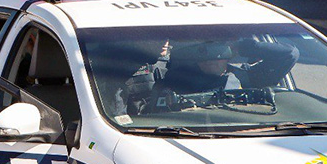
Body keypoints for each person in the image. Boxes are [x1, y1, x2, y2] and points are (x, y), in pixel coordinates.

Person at [116, 37, 299, 115]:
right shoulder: (173, 79)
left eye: (217, 50)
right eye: (202, 50)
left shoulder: (246, 78)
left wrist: (242, 46)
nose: (210, 57)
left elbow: (289, 54)